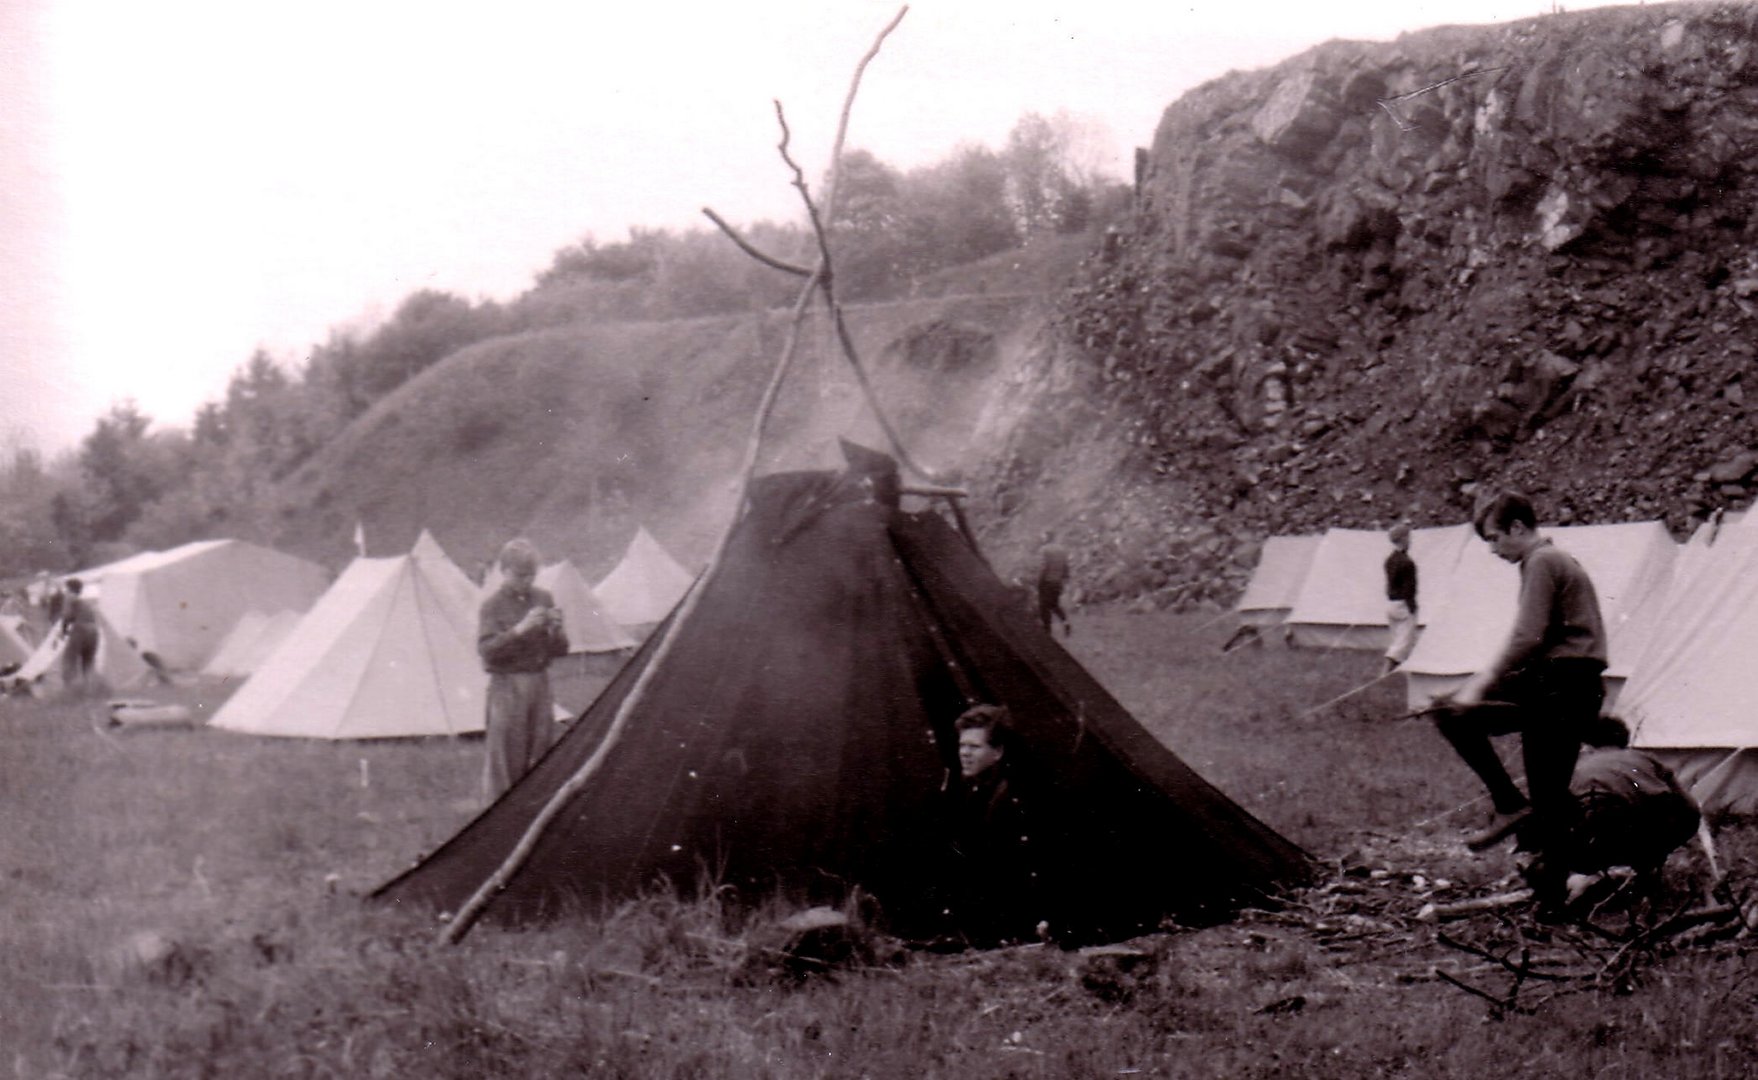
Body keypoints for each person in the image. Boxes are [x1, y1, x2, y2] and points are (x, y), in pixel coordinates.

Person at [1430, 493, 1607, 903]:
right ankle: (1562, 881)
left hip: (1562, 681)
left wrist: (1483, 682)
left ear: (1518, 528)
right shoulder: (1555, 560)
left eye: (1495, 538)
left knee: (1448, 710)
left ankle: (1513, 809)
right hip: (1572, 682)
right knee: (1550, 794)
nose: (1492, 550)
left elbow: (1528, 635)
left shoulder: (1542, 561)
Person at [1533, 716, 1702, 912]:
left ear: (1586, 743)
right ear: (1625, 739)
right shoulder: (1644, 758)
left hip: (1597, 835)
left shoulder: (1575, 766)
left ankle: (1563, 892)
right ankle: (1645, 878)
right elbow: (1687, 805)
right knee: (1650, 822)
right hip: (1650, 830)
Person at [941, 704, 1046, 947]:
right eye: (962, 745)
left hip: (1011, 920)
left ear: (998, 752)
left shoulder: (1011, 796)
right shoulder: (974, 788)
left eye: (974, 747)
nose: (965, 753)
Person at [477, 538, 570, 800]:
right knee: (506, 756)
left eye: (531, 575)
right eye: (520, 576)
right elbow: (486, 651)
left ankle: (535, 808)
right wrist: (520, 629)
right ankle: (499, 815)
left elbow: (561, 650)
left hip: (539, 682)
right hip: (507, 685)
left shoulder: (543, 597)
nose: (526, 581)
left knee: (541, 748)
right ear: (504, 571)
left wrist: (555, 630)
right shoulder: (492, 606)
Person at [1382, 523, 1418, 675]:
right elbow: (1409, 589)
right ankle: (1384, 672)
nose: (1410, 541)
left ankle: (1402, 671)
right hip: (1403, 605)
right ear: (1403, 539)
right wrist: (1412, 608)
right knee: (1403, 642)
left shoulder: (1389, 560)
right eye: (1408, 537)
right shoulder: (1407, 563)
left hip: (1391, 603)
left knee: (1398, 638)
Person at [58, 578, 100, 692]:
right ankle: (89, 689)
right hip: (94, 630)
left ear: (69, 588)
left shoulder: (69, 598)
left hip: (80, 629)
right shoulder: (86, 602)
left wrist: (63, 631)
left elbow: (67, 616)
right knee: (87, 661)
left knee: (69, 659)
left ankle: (69, 690)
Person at [1036, 533, 1071, 636]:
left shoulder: (1044, 550)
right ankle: (1066, 623)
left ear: (1047, 538)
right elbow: (1066, 567)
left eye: (1043, 537)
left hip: (1047, 582)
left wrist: (1039, 582)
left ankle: (1047, 630)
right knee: (1054, 605)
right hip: (1057, 582)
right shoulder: (1062, 550)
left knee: (1043, 606)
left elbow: (1044, 567)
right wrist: (1064, 580)